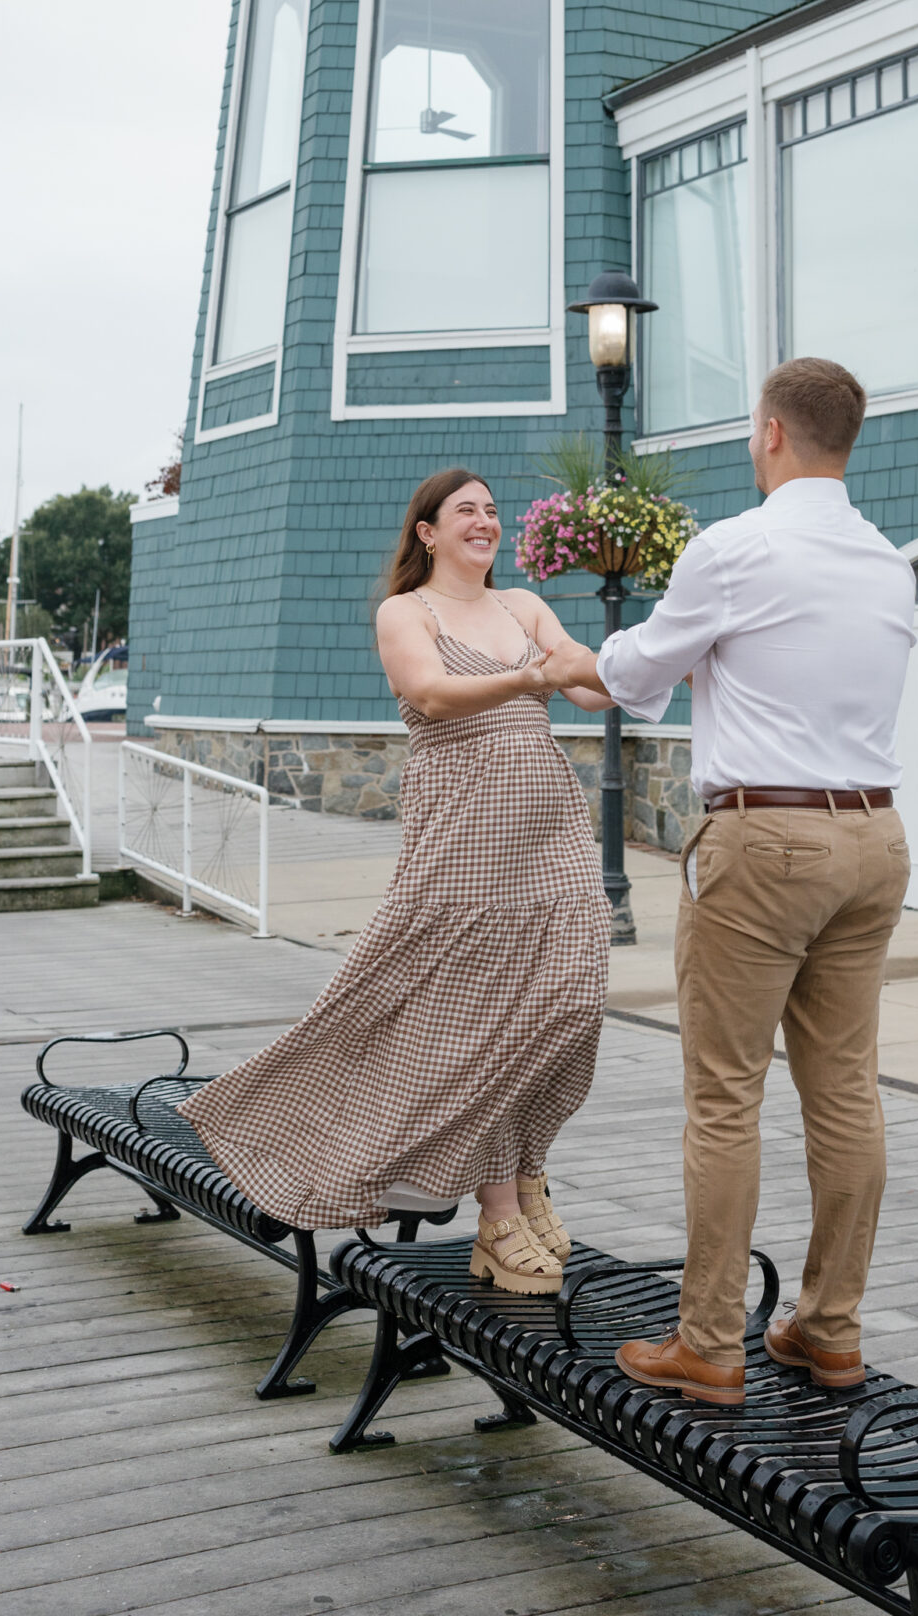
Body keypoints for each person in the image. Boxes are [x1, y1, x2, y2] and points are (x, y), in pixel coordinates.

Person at [539, 358, 916, 1405]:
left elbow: (634, 672)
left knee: (723, 1096)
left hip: (764, 845)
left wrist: (559, 660)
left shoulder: (736, 548)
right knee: (844, 1092)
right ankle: (828, 1328)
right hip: (874, 840)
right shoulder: (890, 565)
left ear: (770, 434)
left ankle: (707, 1343)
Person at [185, 467, 614, 1295]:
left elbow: (591, 688)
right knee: (477, 1018)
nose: (485, 523)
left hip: (550, 829)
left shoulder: (523, 607)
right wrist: (533, 678)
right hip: (465, 830)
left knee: (567, 997)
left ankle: (528, 1169)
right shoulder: (405, 612)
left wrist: (647, 663)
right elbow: (430, 691)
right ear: (427, 531)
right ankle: (497, 1216)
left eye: (493, 512)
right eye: (466, 512)